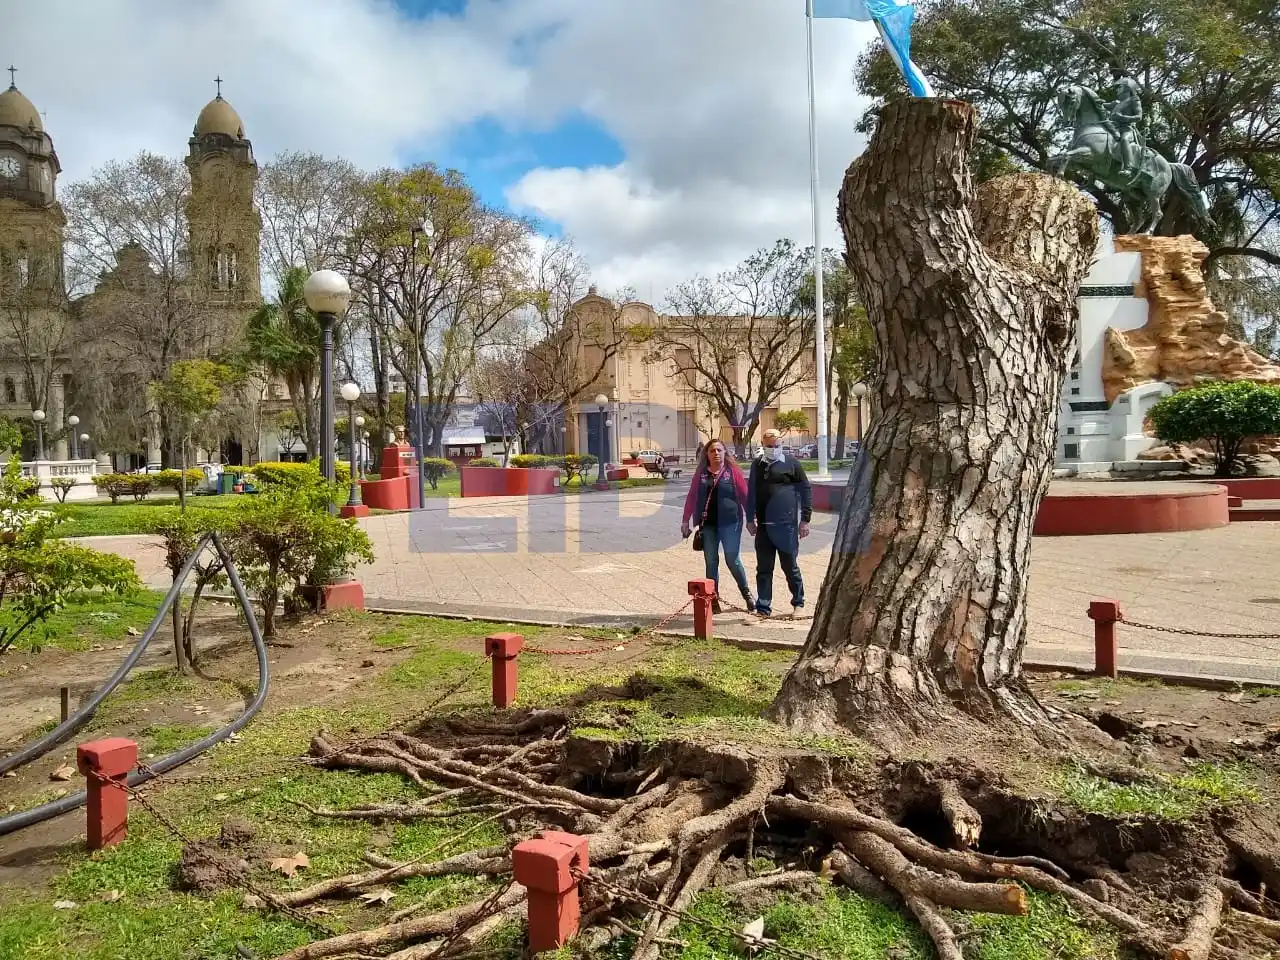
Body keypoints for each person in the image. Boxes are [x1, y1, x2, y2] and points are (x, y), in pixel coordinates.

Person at [681, 439, 753, 614]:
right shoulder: (701, 474)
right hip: (708, 525)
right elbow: (692, 496)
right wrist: (685, 520)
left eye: (719, 450)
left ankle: (747, 594)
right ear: (707, 454)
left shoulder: (732, 471)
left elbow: (745, 496)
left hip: (731, 523)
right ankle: (713, 599)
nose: (716, 453)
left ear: (725, 452)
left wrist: (752, 519)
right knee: (711, 561)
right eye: (712, 450)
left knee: (732, 560)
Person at [746, 428, 811, 619]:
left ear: (781, 445)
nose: (773, 449)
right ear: (763, 445)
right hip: (764, 527)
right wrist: (749, 519)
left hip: (786, 527)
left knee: (790, 566)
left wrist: (805, 520)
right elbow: (751, 492)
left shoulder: (792, 463)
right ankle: (763, 608)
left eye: (776, 446)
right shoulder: (757, 465)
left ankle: (798, 603)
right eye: (769, 446)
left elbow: (805, 490)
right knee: (764, 569)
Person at [1107, 76, 1143, 183]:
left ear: (1127, 88)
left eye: (1119, 87)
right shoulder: (1116, 103)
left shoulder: (1134, 100)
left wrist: (1122, 117)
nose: (1117, 89)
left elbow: (1139, 117)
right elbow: (1101, 105)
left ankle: (1128, 168)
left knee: (1124, 140)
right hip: (1114, 128)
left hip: (1127, 129)